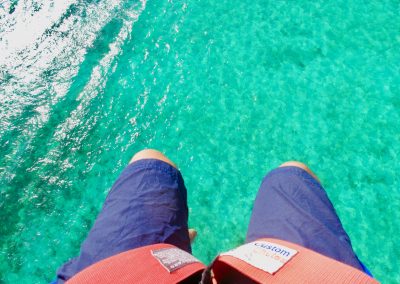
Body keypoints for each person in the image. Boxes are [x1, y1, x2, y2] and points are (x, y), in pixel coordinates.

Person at [54, 149, 377, 283]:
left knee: (149, 161)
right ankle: (185, 252)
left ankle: (180, 251)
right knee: (290, 174)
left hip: (121, 275)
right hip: (305, 274)